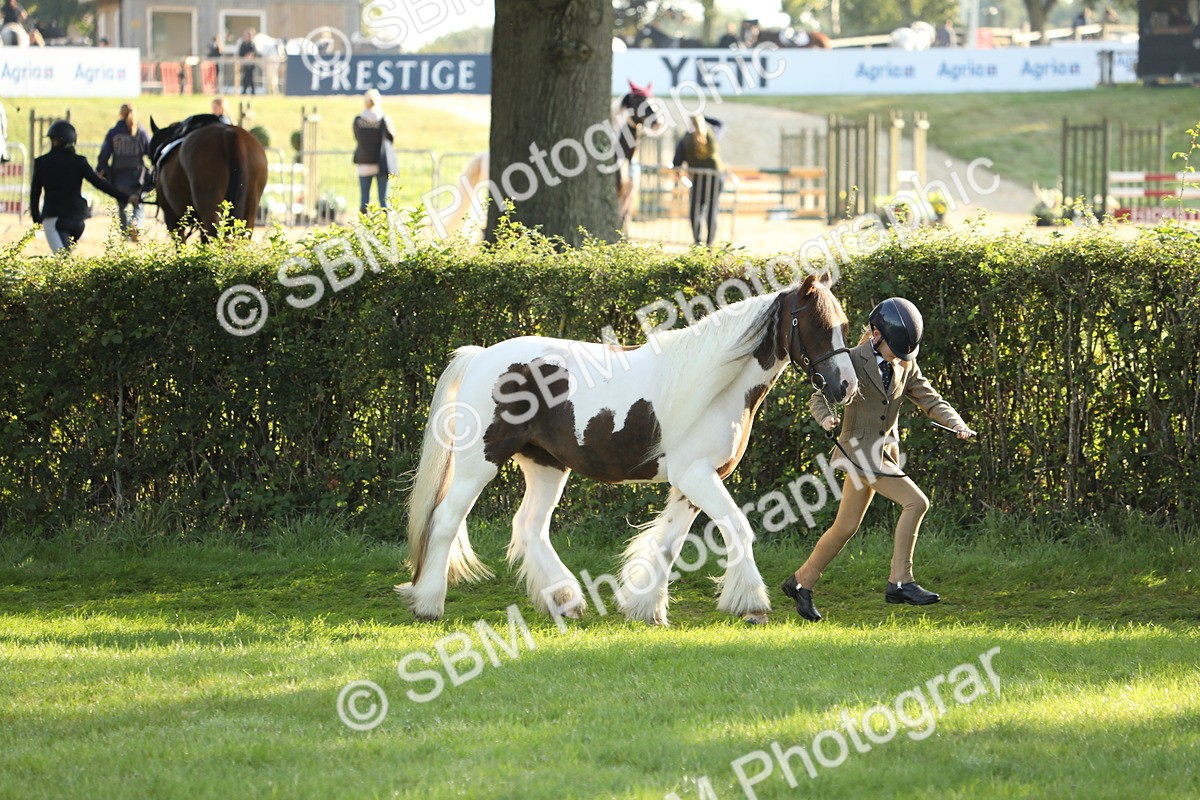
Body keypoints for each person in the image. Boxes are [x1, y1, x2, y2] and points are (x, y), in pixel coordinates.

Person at [781, 298, 975, 622]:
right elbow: (818, 397)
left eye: (904, 353)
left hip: (884, 454)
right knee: (917, 503)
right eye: (895, 350)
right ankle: (900, 581)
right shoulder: (852, 362)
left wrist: (956, 423)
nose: (899, 358)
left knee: (845, 527)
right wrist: (827, 418)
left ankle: (801, 581)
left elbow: (930, 399)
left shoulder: (905, 365)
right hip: (858, 455)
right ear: (875, 335)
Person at [30, 120, 139, 254]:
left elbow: (35, 193)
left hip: (55, 219)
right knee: (66, 258)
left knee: (62, 262)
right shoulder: (79, 161)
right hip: (78, 222)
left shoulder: (42, 162)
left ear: (55, 140)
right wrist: (126, 197)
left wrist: (36, 219)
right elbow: (100, 184)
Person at [96, 104, 151, 242]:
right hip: (138, 177)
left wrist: (101, 169)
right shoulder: (141, 132)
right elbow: (151, 152)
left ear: (120, 114)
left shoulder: (114, 133)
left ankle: (125, 234)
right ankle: (136, 224)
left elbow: (104, 155)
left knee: (122, 205)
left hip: (119, 177)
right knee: (138, 205)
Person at [672, 114, 724, 248]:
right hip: (716, 179)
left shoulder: (685, 140)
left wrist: (685, 180)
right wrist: (703, 116)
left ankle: (697, 243)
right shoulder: (712, 134)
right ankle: (710, 244)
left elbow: (676, 163)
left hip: (698, 180)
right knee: (712, 212)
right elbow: (719, 123)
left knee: (696, 212)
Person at [352, 89, 398, 213]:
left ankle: (364, 229)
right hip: (381, 163)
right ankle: (385, 228)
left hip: (364, 163)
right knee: (384, 200)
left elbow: (357, 137)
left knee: (364, 200)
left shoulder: (358, 121)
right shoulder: (384, 119)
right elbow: (391, 137)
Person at [237, 28, 258, 95]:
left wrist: (250, 56)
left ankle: (252, 91)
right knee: (245, 78)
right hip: (244, 64)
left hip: (251, 65)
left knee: (251, 78)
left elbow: (254, 53)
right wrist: (242, 61)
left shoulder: (252, 44)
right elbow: (240, 54)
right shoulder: (243, 44)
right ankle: (244, 90)